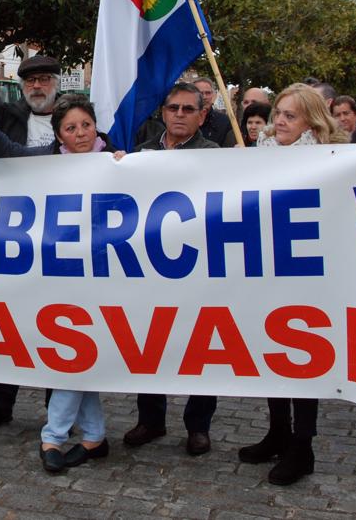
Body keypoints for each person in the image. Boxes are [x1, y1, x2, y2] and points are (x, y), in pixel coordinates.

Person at [0, 94, 122, 472]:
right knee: (78, 357)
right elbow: (7, 149)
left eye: (86, 125)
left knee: (74, 355)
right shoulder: (46, 161)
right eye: (71, 128)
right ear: (59, 135)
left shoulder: (120, 160)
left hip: (106, 278)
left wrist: (130, 168)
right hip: (61, 278)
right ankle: (94, 437)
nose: (80, 134)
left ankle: (53, 437)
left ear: (96, 126)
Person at [238, 84, 345, 485]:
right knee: (275, 354)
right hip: (269, 269)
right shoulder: (262, 154)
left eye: (290, 116)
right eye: (278, 114)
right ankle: (278, 431)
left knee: (303, 356)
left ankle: (303, 446)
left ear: (311, 122)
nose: (279, 122)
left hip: (308, 273)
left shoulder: (329, 158)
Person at [126, 83, 220, 456]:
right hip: (151, 267)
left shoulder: (216, 156)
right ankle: (150, 419)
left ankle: (199, 426)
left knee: (202, 346)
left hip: (199, 268)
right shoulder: (141, 154)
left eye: (187, 109)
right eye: (173, 108)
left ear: (201, 115)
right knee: (151, 342)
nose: (179, 114)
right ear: (162, 112)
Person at [190, 77, 238, 147]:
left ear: (213, 95)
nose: (204, 97)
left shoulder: (225, 122)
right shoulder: (184, 119)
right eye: (200, 93)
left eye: (208, 93)